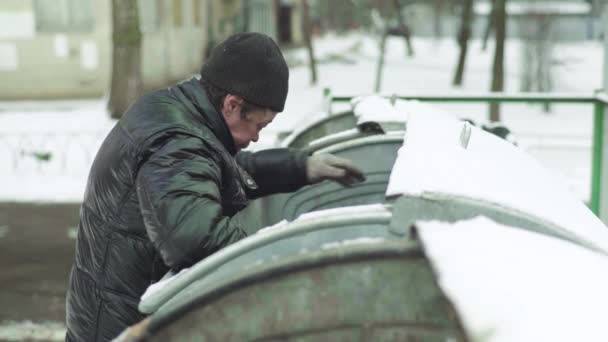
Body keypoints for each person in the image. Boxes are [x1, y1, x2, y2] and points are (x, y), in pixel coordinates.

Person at [64, 32, 365, 341]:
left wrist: (300, 167)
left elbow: (214, 171)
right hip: (119, 325)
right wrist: (276, 260)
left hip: (115, 311)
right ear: (232, 104)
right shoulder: (179, 142)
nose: (257, 137)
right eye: (258, 125)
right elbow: (194, 238)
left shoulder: (177, 113)